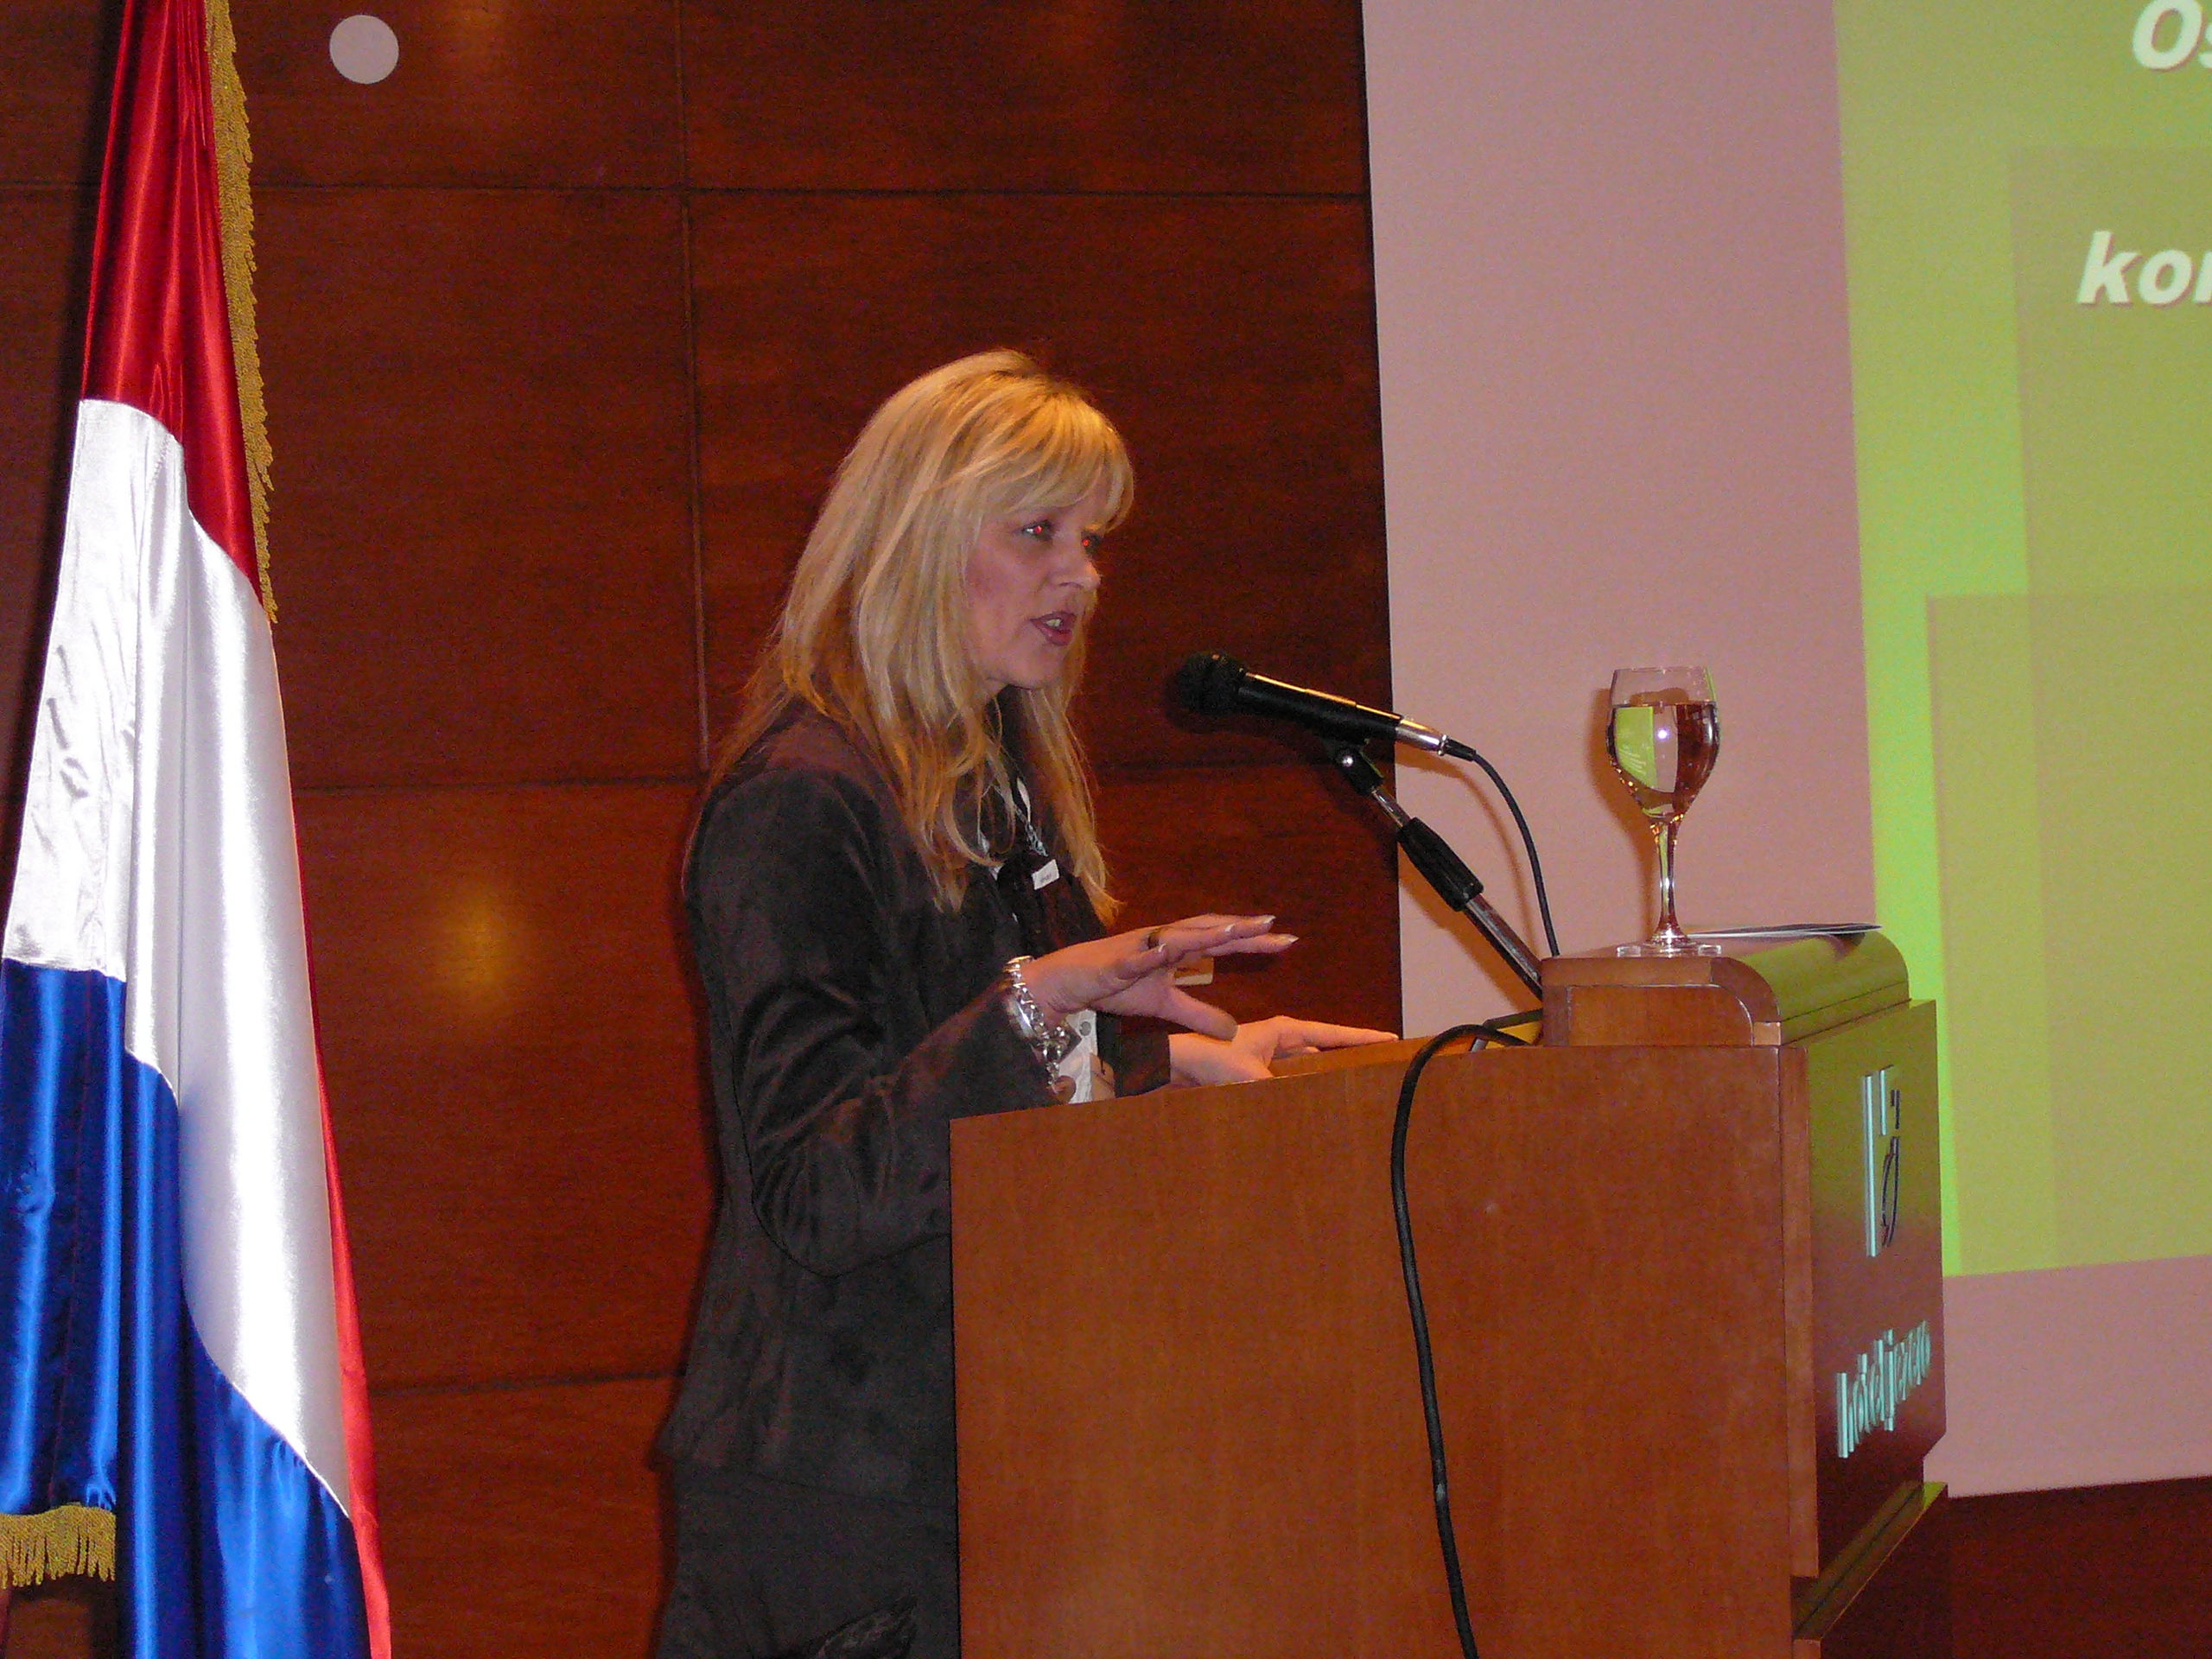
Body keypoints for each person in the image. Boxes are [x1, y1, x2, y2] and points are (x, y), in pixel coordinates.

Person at [656, 351, 1392, 1659]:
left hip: (1003, 1450)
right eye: (1039, 532)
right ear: (919, 540)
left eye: (1091, 540)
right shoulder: (801, 801)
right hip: (842, 1495)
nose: (1083, 577)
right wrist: (1041, 998)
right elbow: (817, 1187)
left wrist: (1174, 1071)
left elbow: (968, 1077)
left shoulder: (994, 780)